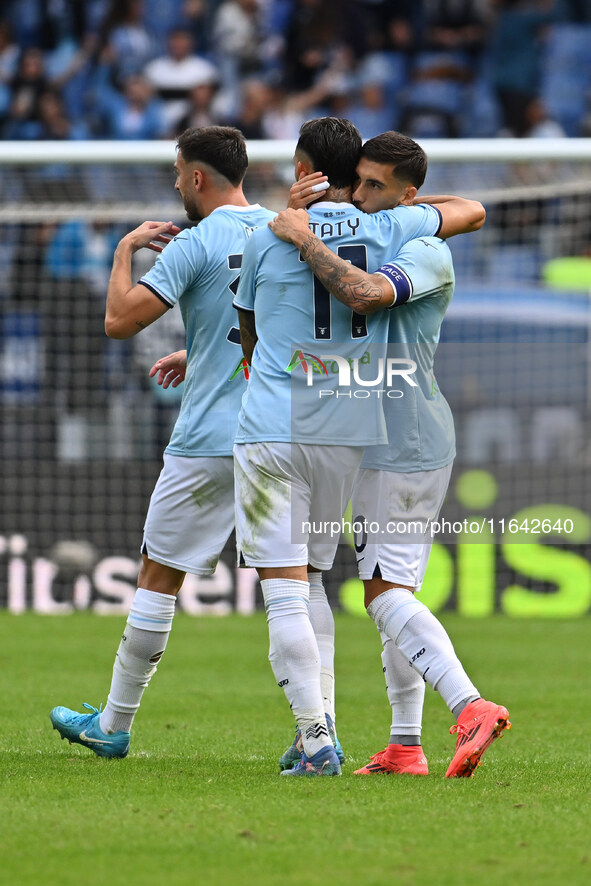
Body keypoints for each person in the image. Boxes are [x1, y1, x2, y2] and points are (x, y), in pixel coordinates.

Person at [232, 116, 485, 776]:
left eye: (379, 185)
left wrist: (297, 229)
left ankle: (464, 704)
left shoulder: (406, 244)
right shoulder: (400, 229)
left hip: (392, 435)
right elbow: (470, 209)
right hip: (354, 432)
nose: (365, 194)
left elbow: (356, 296)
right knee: (378, 588)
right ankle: (404, 743)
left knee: (372, 593)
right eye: (362, 182)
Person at [49, 126, 274, 757]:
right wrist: (199, 352)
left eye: (178, 173)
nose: (176, 184)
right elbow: (275, 327)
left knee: (157, 577)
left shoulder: (193, 243)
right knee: (294, 583)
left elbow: (119, 322)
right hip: (282, 435)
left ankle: (113, 726)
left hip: (208, 440)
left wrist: (125, 250)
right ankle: (318, 735)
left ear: (198, 177)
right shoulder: (284, 230)